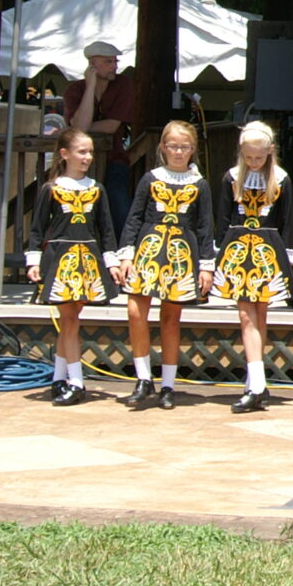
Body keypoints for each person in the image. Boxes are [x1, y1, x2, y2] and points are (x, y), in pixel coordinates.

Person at [118, 119, 214, 410]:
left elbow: (205, 226)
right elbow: (134, 217)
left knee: (170, 319)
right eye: (173, 146)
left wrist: (206, 266)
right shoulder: (151, 178)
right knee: (136, 310)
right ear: (163, 147)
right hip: (149, 248)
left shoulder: (199, 184)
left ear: (193, 150)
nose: (178, 152)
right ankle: (143, 376)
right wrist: (126, 254)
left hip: (181, 253)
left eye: (184, 147)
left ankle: (168, 384)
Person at [210, 120, 293, 414]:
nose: (253, 162)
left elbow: (287, 223)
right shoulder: (230, 178)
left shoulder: (282, 179)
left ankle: (255, 382)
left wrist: (289, 259)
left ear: (270, 152)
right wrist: (218, 256)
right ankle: (258, 384)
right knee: (245, 315)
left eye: (259, 157)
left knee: (260, 315)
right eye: (249, 157)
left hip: (267, 252)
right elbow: (222, 219)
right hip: (238, 251)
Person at [25, 128, 120, 406]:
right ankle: (77, 382)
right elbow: (37, 228)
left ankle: (59, 377)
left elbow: (106, 229)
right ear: (64, 154)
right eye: (81, 151)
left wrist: (111, 261)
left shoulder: (96, 189)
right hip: (60, 258)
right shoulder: (51, 189)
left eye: (90, 152)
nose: (87, 157)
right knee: (69, 320)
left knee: (72, 319)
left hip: (87, 258)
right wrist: (33, 261)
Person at [66, 39, 138, 238]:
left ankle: (125, 251)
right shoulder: (76, 90)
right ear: (92, 64)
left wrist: (82, 127)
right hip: (77, 163)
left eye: (115, 61)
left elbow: (111, 126)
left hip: (114, 158)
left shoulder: (124, 84)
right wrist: (90, 87)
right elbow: (79, 126)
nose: (115, 66)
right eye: (108, 62)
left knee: (119, 204)